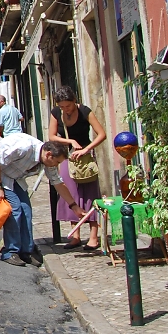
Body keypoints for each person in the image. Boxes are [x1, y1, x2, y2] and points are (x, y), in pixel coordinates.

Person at [0, 134, 86, 266]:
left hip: (14, 177)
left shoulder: (47, 161)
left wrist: (74, 206)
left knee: (26, 210)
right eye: (57, 162)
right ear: (49, 154)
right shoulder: (23, 147)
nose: (57, 165)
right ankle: (10, 251)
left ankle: (27, 251)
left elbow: (58, 183)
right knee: (15, 209)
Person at [47, 85, 107, 250]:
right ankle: (76, 235)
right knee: (71, 193)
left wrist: (87, 148)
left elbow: (102, 134)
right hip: (67, 156)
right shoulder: (56, 113)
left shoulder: (85, 111)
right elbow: (51, 136)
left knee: (89, 194)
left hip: (85, 158)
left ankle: (94, 236)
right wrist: (70, 142)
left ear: (74, 101)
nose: (66, 109)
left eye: (68, 105)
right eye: (62, 106)